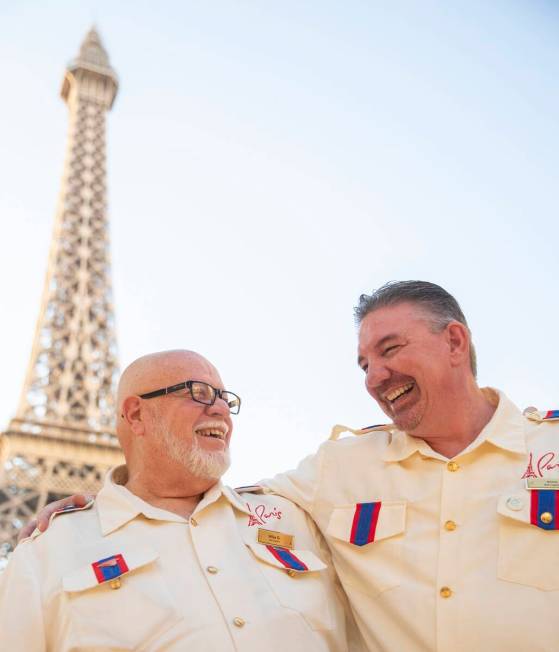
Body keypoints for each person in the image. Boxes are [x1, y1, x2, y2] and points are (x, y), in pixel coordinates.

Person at [19, 281, 559, 650]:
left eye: (390, 350)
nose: (374, 376)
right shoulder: (339, 469)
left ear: (455, 342)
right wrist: (104, 505)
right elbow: (201, 494)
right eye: (364, 363)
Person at [0, 350, 360, 651]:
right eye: (199, 392)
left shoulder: (294, 515)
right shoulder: (48, 551)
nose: (220, 408)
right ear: (137, 414)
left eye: (224, 397)